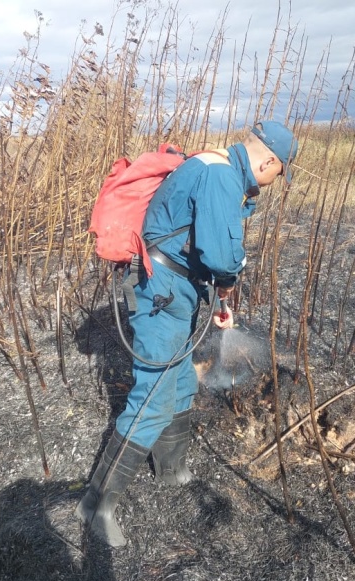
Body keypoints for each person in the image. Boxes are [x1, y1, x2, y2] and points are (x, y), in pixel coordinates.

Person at [75, 121, 298, 547]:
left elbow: (199, 244)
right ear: (269, 160)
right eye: (279, 173)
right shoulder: (220, 175)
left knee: (179, 384)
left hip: (175, 291)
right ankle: (93, 505)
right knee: (153, 398)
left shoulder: (217, 168)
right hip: (161, 294)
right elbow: (219, 254)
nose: (274, 182)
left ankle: (171, 470)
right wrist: (230, 279)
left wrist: (216, 296)